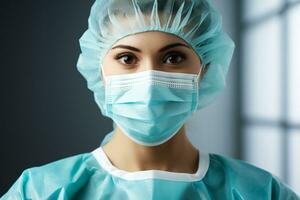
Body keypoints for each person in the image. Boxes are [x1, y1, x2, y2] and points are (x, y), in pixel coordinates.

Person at [1, 0, 299, 199]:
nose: (150, 78)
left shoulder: (259, 191)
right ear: (99, 70)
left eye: (173, 57)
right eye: (127, 58)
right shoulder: (41, 191)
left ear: (204, 69)